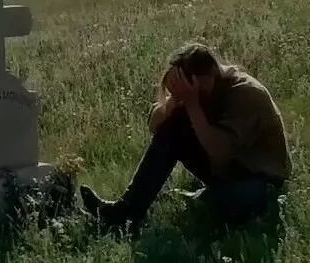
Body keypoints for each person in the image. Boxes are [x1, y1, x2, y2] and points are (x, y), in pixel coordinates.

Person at [81, 43, 291, 231]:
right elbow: (155, 126)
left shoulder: (247, 94)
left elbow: (222, 153)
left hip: (259, 180)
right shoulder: (200, 92)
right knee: (173, 125)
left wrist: (192, 103)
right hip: (227, 171)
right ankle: (125, 212)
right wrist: (174, 101)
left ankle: (202, 198)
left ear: (211, 74)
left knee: (228, 206)